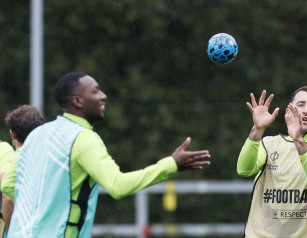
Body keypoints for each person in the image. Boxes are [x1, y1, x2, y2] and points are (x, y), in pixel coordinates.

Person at [7, 72, 211, 237]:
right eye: (95, 91)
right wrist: (171, 164)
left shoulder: (38, 135)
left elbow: (9, 184)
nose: (103, 95)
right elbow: (117, 186)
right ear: (78, 101)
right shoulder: (83, 138)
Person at [237, 87, 307, 237]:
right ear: (288, 111)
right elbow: (244, 170)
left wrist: (298, 140)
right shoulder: (268, 144)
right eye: (300, 104)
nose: (306, 110)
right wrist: (257, 129)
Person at [0, 105, 46, 234]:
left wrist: (11, 231)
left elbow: (7, 195)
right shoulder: (53, 157)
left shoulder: (17, 157)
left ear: (12, 133)